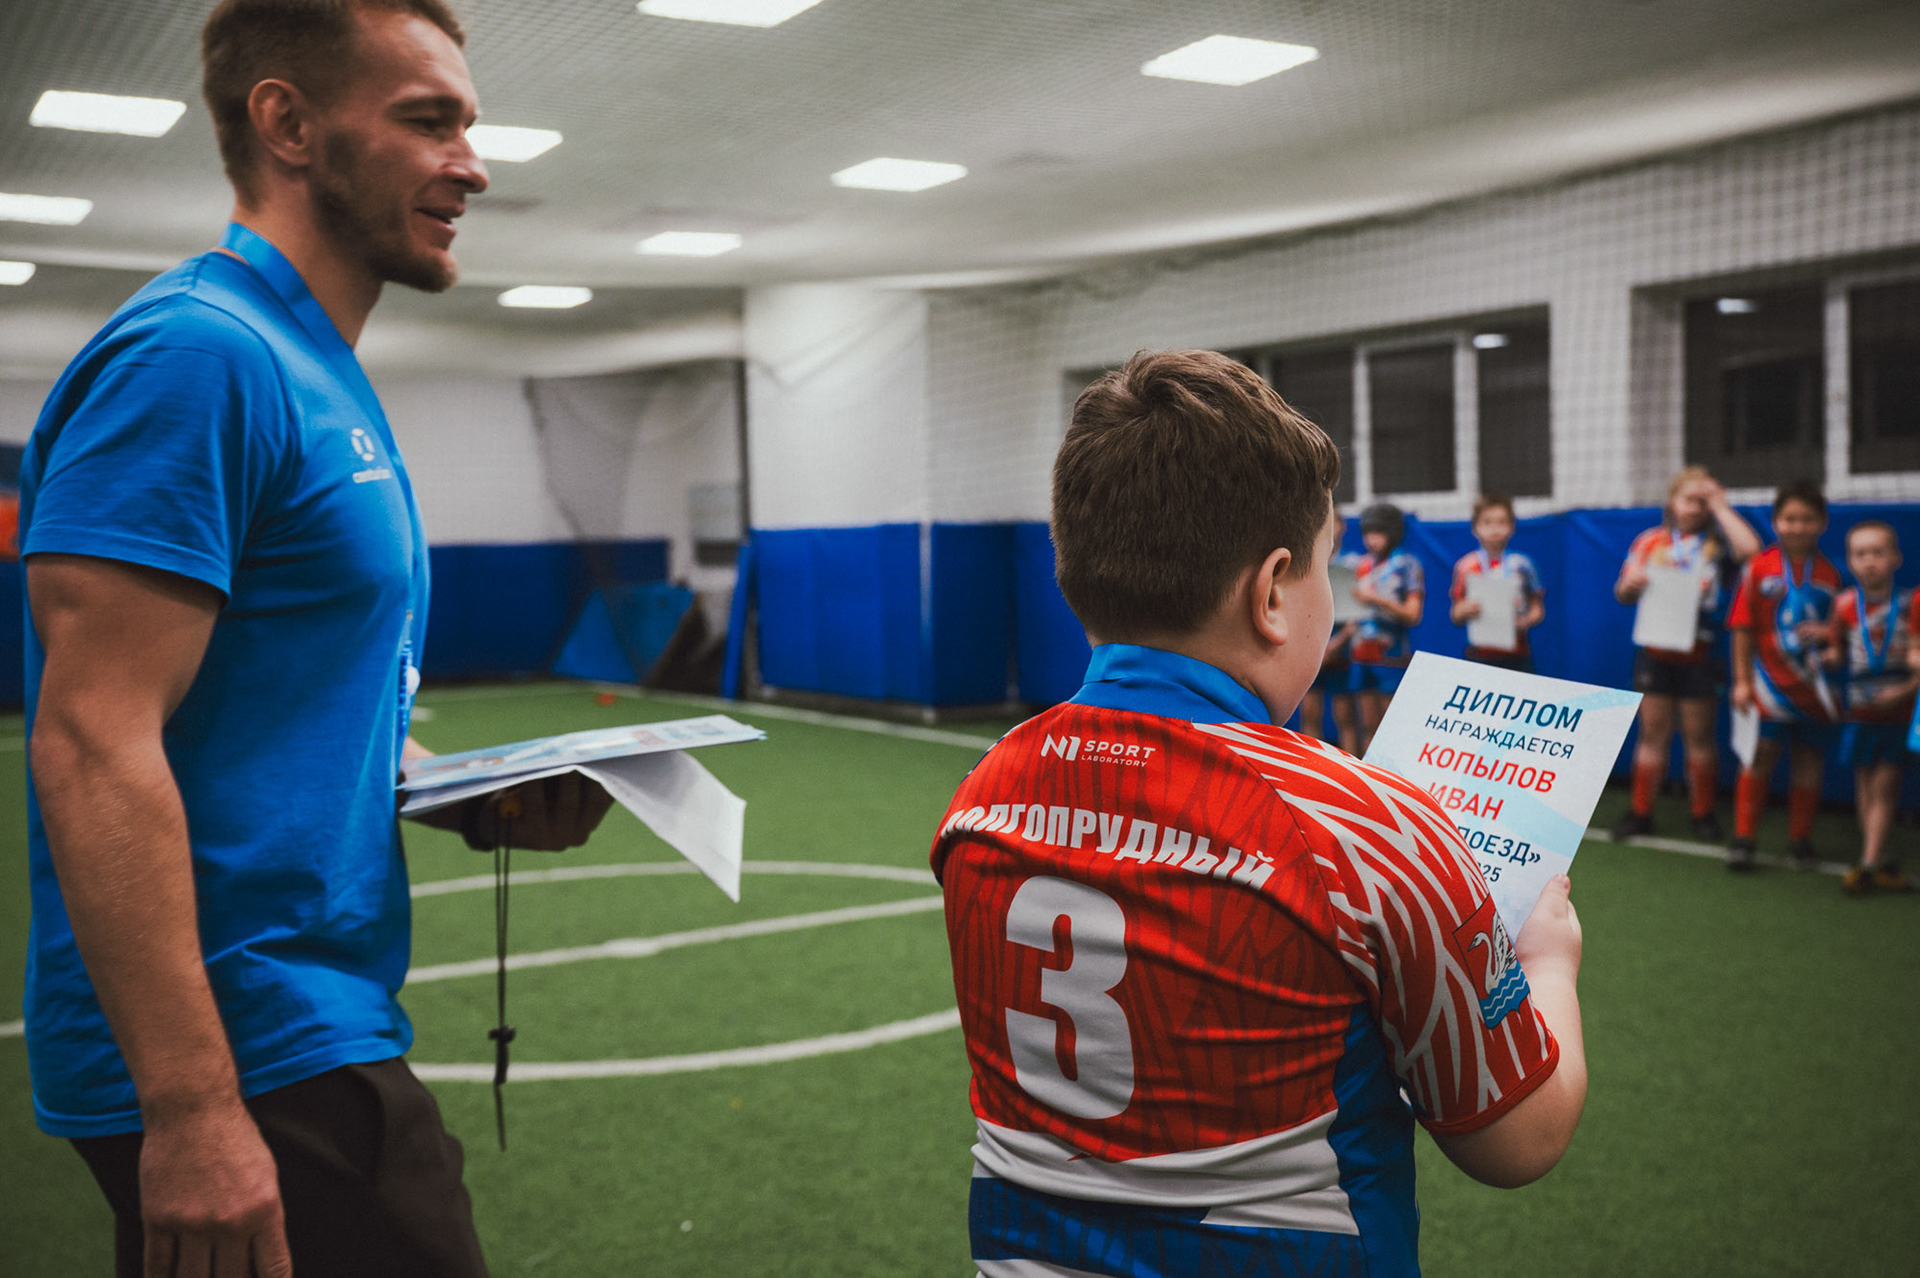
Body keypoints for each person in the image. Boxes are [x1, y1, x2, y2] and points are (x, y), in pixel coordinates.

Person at [19, 2, 611, 1274]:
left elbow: (274, 713)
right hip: (247, 1037)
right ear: (287, 124)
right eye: (428, 120)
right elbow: (89, 738)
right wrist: (192, 1111)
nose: (473, 164)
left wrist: (465, 792)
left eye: (468, 124)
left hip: (306, 1018)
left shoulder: (307, 362)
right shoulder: (200, 357)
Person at [935, 350, 1587, 1277]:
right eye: (1328, 567)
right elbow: (1520, 1140)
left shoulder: (985, 789)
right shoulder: (1364, 827)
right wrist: (1548, 962)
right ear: (1274, 591)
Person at [1612, 467, 1760, 843]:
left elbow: (1752, 551)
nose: (1695, 507)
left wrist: (1720, 506)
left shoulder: (1718, 545)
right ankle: (1641, 811)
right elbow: (1622, 593)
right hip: (1654, 651)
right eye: (1688, 499)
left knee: (1699, 736)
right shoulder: (1650, 542)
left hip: (1700, 653)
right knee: (1652, 734)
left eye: (1702, 501)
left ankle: (1703, 813)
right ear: (1672, 501)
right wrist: (1629, 585)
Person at [1726, 479, 1841, 872]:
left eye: (1807, 519)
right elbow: (1741, 627)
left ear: (1822, 523)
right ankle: (1744, 838)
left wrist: (1830, 636)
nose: (1798, 526)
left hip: (1814, 688)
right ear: (1775, 522)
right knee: (1759, 757)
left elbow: (1838, 632)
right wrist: (1742, 681)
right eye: (1789, 518)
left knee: (1809, 759)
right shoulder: (1758, 568)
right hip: (1767, 685)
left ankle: (1800, 839)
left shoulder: (1829, 574)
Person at [1825, 521, 1917, 895]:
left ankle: (1866, 865)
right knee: (1865, 787)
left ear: (1896, 558)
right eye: (1860, 554)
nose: (1869, 561)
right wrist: (1824, 654)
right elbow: (1837, 652)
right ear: (1850, 561)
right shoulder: (1844, 604)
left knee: (1884, 787)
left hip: (1899, 713)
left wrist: (1904, 691)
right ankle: (1881, 860)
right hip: (1860, 712)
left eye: (1878, 553)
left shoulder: (1911, 604)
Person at [1349, 501, 1423, 753]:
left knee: (1391, 729)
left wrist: (1377, 600)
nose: (1371, 539)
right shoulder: (1360, 565)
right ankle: (1365, 773)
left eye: (1378, 532)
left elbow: (1413, 614)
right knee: (1367, 726)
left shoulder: (1407, 564)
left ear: (1392, 532)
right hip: (1361, 653)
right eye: (1367, 533)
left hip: (1391, 655)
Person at [1449, 493, 1544, 673]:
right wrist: (1466, 609)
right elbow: (1455, 614)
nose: (1495, 528)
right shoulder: (1466, 566)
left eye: (1501, 522)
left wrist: (1525, 621)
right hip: (1478, 654)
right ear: (1475, 527)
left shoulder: (1523, 565)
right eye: (1487, 522)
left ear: (1512, 527)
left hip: (1517, 654)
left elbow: (1537, 609)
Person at [1297, 611, 1357, 751]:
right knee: (1310, 714)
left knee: (1345, 717)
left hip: (1339, 658)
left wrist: (1342, 638)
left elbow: (1351, 628)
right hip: (1314, 651)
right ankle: (1312, 759)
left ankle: (1349, 762)